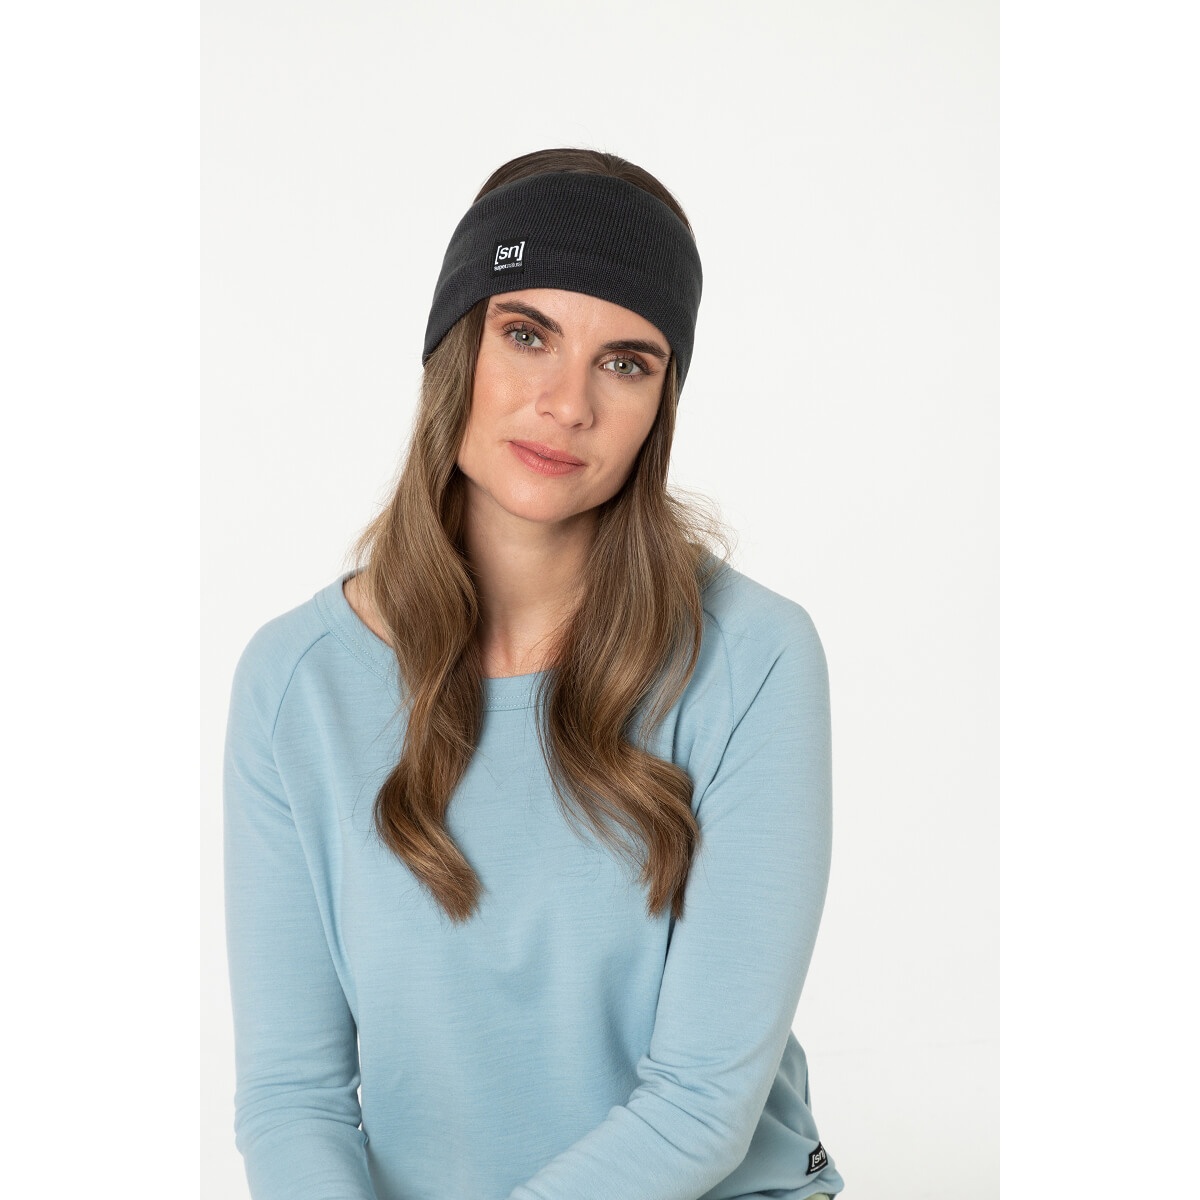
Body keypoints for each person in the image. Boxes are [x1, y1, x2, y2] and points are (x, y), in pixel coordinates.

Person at [222, 146, 844, 1200]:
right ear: (454, 347)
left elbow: (701, 1105)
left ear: (661, 402)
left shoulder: (754, 656)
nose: (567, 404)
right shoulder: (296, 684)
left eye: (626, 362)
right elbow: (294, 1097)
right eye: (527, 335)